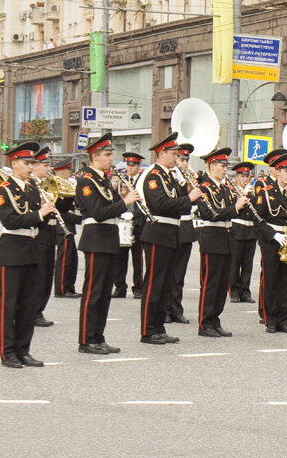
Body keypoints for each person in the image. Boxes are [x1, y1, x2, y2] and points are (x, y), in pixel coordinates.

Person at [0, 142, 56, 368]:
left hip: (32, 246)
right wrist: (40, 213)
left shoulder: (33, 188)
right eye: (26, 163)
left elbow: (39, 219)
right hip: (12, 247)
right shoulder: (4, 189)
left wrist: (49, 212)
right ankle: (7, 352)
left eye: (32, 163)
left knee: (28, 305)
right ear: (14, 163)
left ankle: (24, 350)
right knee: (10, 305)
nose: (30, 167)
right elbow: (10, 220)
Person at [76, 133, 139, 354]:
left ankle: (98, 336)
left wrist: (122, 196)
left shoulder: (103, 179)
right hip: (95, 238)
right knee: (93, 292)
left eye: (111, 154)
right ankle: (86, 339)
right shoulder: (86, 180)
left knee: (103, 293)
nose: (111, 158)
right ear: (95, 156)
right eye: (107, 155)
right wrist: (125, 202)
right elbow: (99, 212)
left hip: (109, 238)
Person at [140, 133, 202, 344]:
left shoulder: (170, 175)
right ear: (161, 153)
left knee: (167, 284)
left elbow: (180, 203)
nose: (177, 158)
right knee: (154, 284)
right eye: (173, 154)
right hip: (158, 232)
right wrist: (188, 198)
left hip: (172, 233)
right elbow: (160, 205)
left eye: (177, 154)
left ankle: (159, 327)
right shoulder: (154, 176)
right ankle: (148, 330)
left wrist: (190, 192)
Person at [194, 148, 245, 337]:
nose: (225, 170)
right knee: (211, 283)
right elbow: (210, 214)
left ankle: (215, 320)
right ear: (211, 166)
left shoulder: (224, 188)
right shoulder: (203, 187)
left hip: (226, 237)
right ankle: (204, 323)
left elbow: (231, 210)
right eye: (222, 166)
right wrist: (235, 208)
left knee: (223, 282)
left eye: (226, 166)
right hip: (212, 237)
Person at [254, 152, 287, 333]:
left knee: (286, 281)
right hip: (272, 240)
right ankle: (270, 319)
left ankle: (283, 318)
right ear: (277, 171)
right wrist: (273, 235)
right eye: (285, 171)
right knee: (271, 280)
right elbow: (257, 218)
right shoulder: (266, 191)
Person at [166, 144, 198, 324]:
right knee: (168, 272)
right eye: (181, 159)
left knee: (179, 274)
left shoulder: (188, 177)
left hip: (185, 227)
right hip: (172, 227)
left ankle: (176, 309)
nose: (184, 163)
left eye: (186, 160)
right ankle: (165, 310)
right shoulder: (170, 177)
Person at [111, 153, 147, 299]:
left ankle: (138, 287)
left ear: (138, 167)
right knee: (120, 257)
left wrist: (135, 214)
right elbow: (115, 201)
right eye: (128, 165)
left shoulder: (142, 181)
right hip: (123, 222)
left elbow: (145, 203)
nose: (129, 168)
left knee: (137, 257)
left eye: (132, 166)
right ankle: (120, 287)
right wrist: (122, 195)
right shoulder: (122, 181)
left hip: (137, 223)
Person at [29, 147, 57, 327]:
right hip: (37, 236)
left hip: (50, 235)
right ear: (35, 166)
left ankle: (40, 309)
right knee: (37, 278)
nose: (48, 169)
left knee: (47, 277)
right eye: (45, 165)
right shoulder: (31, 186)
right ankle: (33, 311)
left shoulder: (49, 184)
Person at [51, 158, 83, 298]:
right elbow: (58, 211)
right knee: (64, 259)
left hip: (68, 225)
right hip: (62, 226)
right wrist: (77, 219)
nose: (70, 173)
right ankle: (62, 288)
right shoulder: (56, 186)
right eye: (68, 170)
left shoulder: (66, 185)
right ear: (62, 172)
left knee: (72, 258)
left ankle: (69, 286)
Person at [227, 161, 259, 303]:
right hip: (237, 230)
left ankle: (245, 291)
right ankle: (234, 290)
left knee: (247, 263)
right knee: (235, 263)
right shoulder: (231, 191)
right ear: (237, 177)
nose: (245, 179)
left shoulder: (253, 192)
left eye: (247, 176)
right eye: (242, 176)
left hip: (250, 230)